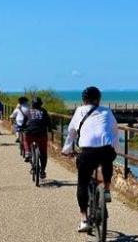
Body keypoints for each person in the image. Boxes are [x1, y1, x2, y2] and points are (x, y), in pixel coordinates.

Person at [61, 86, 118, 233]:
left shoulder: (79, 111)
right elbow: (114, 131)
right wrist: (115, 150)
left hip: (87, 152)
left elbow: (71, 132)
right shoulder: (107, 111)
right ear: (98, 99)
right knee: (106, 161)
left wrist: (66, 150)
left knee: (82, 183)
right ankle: (106, 189)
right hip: (106, 150)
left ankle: (84, 220)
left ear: (83, 100)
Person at [23, 97, 51, 179]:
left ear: (32, 104)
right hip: (41, 134)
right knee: (43, 153)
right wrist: (49, 129)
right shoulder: (44, 111)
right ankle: (42, 171)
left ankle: (28, 152)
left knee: (26, 139)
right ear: (41, 104)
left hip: (30, 133)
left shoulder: (28, 111)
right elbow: (48, 122)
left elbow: (24, 122)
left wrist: (22, 128)